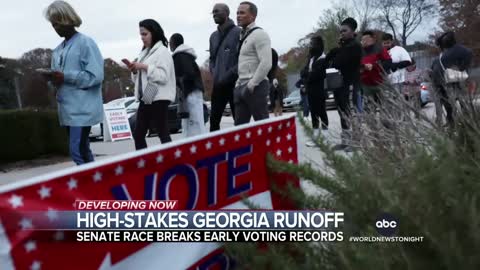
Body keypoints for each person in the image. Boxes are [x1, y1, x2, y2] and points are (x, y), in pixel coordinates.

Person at [43, 1, 104, 165]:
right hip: (67, 110)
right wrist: (52, 80)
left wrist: (65, 76)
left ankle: (90, 185)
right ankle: (95, 183)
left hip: (83, 109)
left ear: (67, 19)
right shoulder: (57, 51)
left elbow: (96, 76)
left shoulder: (86, 43)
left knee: (77, 151)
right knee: (83, 150)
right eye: (52, 24)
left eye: (57, 23)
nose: (55, 28)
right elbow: (59, 79)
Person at [127, 19, 176, 150]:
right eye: (140, 35)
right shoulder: (144, 52)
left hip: (160, 94)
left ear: (153, 33)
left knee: (162, 131)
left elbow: (163, 76)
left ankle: (172, 161)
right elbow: (138, 80)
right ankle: (144, 163)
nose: (142, 38)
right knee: (138, 133)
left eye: (145, 34)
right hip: (148, 93)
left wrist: (143, 66)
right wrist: (135, 70)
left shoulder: (163, 52)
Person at [325, 17, 362, 151]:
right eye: (340, 31)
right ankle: (345, 141)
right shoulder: (343, 47)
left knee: (352, 112)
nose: (342, 33)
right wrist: (339, 49)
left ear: (353, 32)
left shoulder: (355, 46)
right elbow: (331, 61)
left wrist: (338, 51)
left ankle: (357, 142)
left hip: (351, 83)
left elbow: (338, 62)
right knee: (342, 112)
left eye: (345, 31)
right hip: (340, 85)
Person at [234, 1, 272, 125]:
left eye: (242, 13)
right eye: (237, 13)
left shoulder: (259, 34)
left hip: (256, 87)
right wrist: (238, 85)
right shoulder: (242, 36)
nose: (238, 16)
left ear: (252, 16)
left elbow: (266, 63)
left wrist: (251, 84)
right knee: (239, 130)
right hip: (241, 87)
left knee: (263, 127)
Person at [209, 3, 242, 131]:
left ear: (227, 13)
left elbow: (242, 59)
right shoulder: (213, 36)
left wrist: (228, 75)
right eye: (212, 12)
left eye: (217, 11)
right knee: (214, 121)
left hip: (235, 83)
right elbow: (212, 58)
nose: (214, 14)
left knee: (239, 121)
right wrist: (213, 70)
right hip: (218, 84)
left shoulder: (238, 32)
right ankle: (215, 149)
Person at [431, 31, 473, 128]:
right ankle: (465, 121)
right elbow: (469, 55)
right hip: (456, 80)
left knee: (451, 104)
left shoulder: (443, 56)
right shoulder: (461, 50)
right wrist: (462, 68)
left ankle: (453, 122)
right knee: (462, 103)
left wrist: (461, 68)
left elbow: (436, 73)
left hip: (448, 83)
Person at [170, 33, 207, 137]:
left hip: (190, 92)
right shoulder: (187, 55)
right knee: (196, 121)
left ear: (174, 43)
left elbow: (188, 74)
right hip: (194, 91)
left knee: (193, 122)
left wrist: (179, 81)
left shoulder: (180, 56)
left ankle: (196, 144)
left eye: (170, 42)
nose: (169, 45)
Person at [303, 35, 328, 147]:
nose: (311, 45)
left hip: (319, 90)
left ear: (319, 45)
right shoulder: (311, 58)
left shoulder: (323, 58)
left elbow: (317, 75)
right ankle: (315, 136)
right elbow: (302, 73)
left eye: (313, 43)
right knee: (313, 113)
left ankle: (325, 137)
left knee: (321, 112)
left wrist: (308, 75)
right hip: (311, 90)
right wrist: (308, 75)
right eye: (311, 43)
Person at [360, 30, 392, 113]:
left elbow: (388, 62)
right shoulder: (360, 52)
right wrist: (362, 67)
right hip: (366, 84)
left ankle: (386, 124)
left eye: (366, 39)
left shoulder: (379, 49)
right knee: (369, 109)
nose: (364, 41)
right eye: (362, 40)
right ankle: (372, 124)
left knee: (385, 108)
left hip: (381, 82)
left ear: (373, 39)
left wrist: (374, 65)